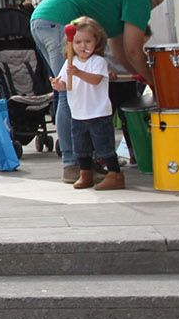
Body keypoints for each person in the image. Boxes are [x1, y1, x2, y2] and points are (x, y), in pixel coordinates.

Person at [31, 0, 178, 181]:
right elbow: (134, 51)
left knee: (66, 90)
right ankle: (73, 164)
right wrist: (156, 83)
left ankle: (81, 163)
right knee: (70, 90)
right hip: (59, 21)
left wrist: (138, 75)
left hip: (43, 19)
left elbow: (121, 54)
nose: (161, 2)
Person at [50, 17, 124, 192]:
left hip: (98, 113)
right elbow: (63, 84)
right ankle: (85, 173)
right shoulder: (70, 63)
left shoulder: (98, 62)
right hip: (78, 113)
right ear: (71, 43)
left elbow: (96, 80)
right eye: (78, 42)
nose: (83, 46)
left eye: (88, 41)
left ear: (97, 42)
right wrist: (57, 84)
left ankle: (115, 174)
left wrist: (78, 73)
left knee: (104, 147)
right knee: (80, 147)